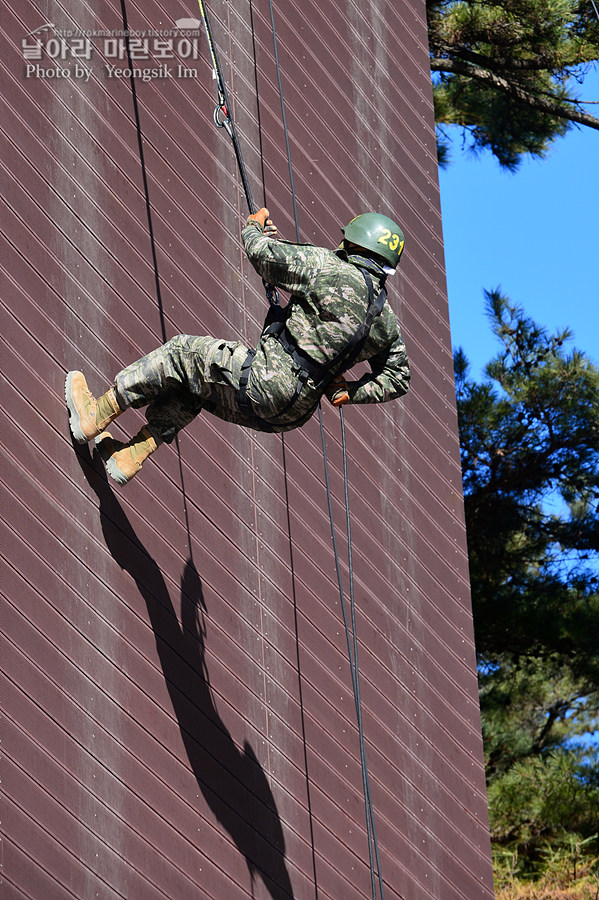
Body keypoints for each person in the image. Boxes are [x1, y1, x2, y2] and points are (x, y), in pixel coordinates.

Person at [66, 209, 411, 486]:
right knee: (199, 382)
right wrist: (351, 391)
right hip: (291, 413)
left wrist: (253, 228)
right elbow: (399, 377)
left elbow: (264, 257)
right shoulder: (386, 322)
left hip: (266, 380)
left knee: (182, 353)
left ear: (356, 243)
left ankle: (94, 416)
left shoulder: (331, 268)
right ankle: (130, 456)